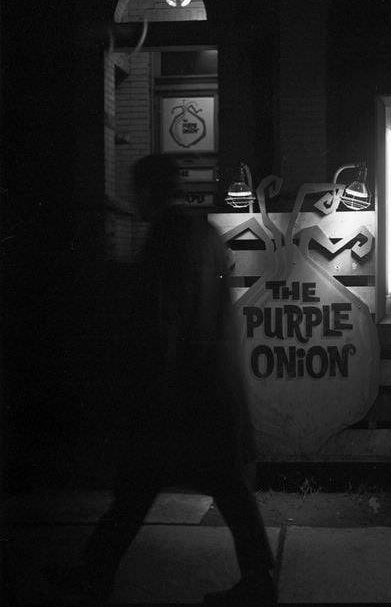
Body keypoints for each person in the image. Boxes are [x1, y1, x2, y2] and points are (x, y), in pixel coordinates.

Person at [45, 154, 276, 606]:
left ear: (148, 191)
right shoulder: (205, 234)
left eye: (137, 191)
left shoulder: (165, 240)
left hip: (180, 399)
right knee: (223, 491)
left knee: (137, 491)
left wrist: (145, 392)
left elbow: (163, 322)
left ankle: (94, 577)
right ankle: (258, 579)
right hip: (210, 392)